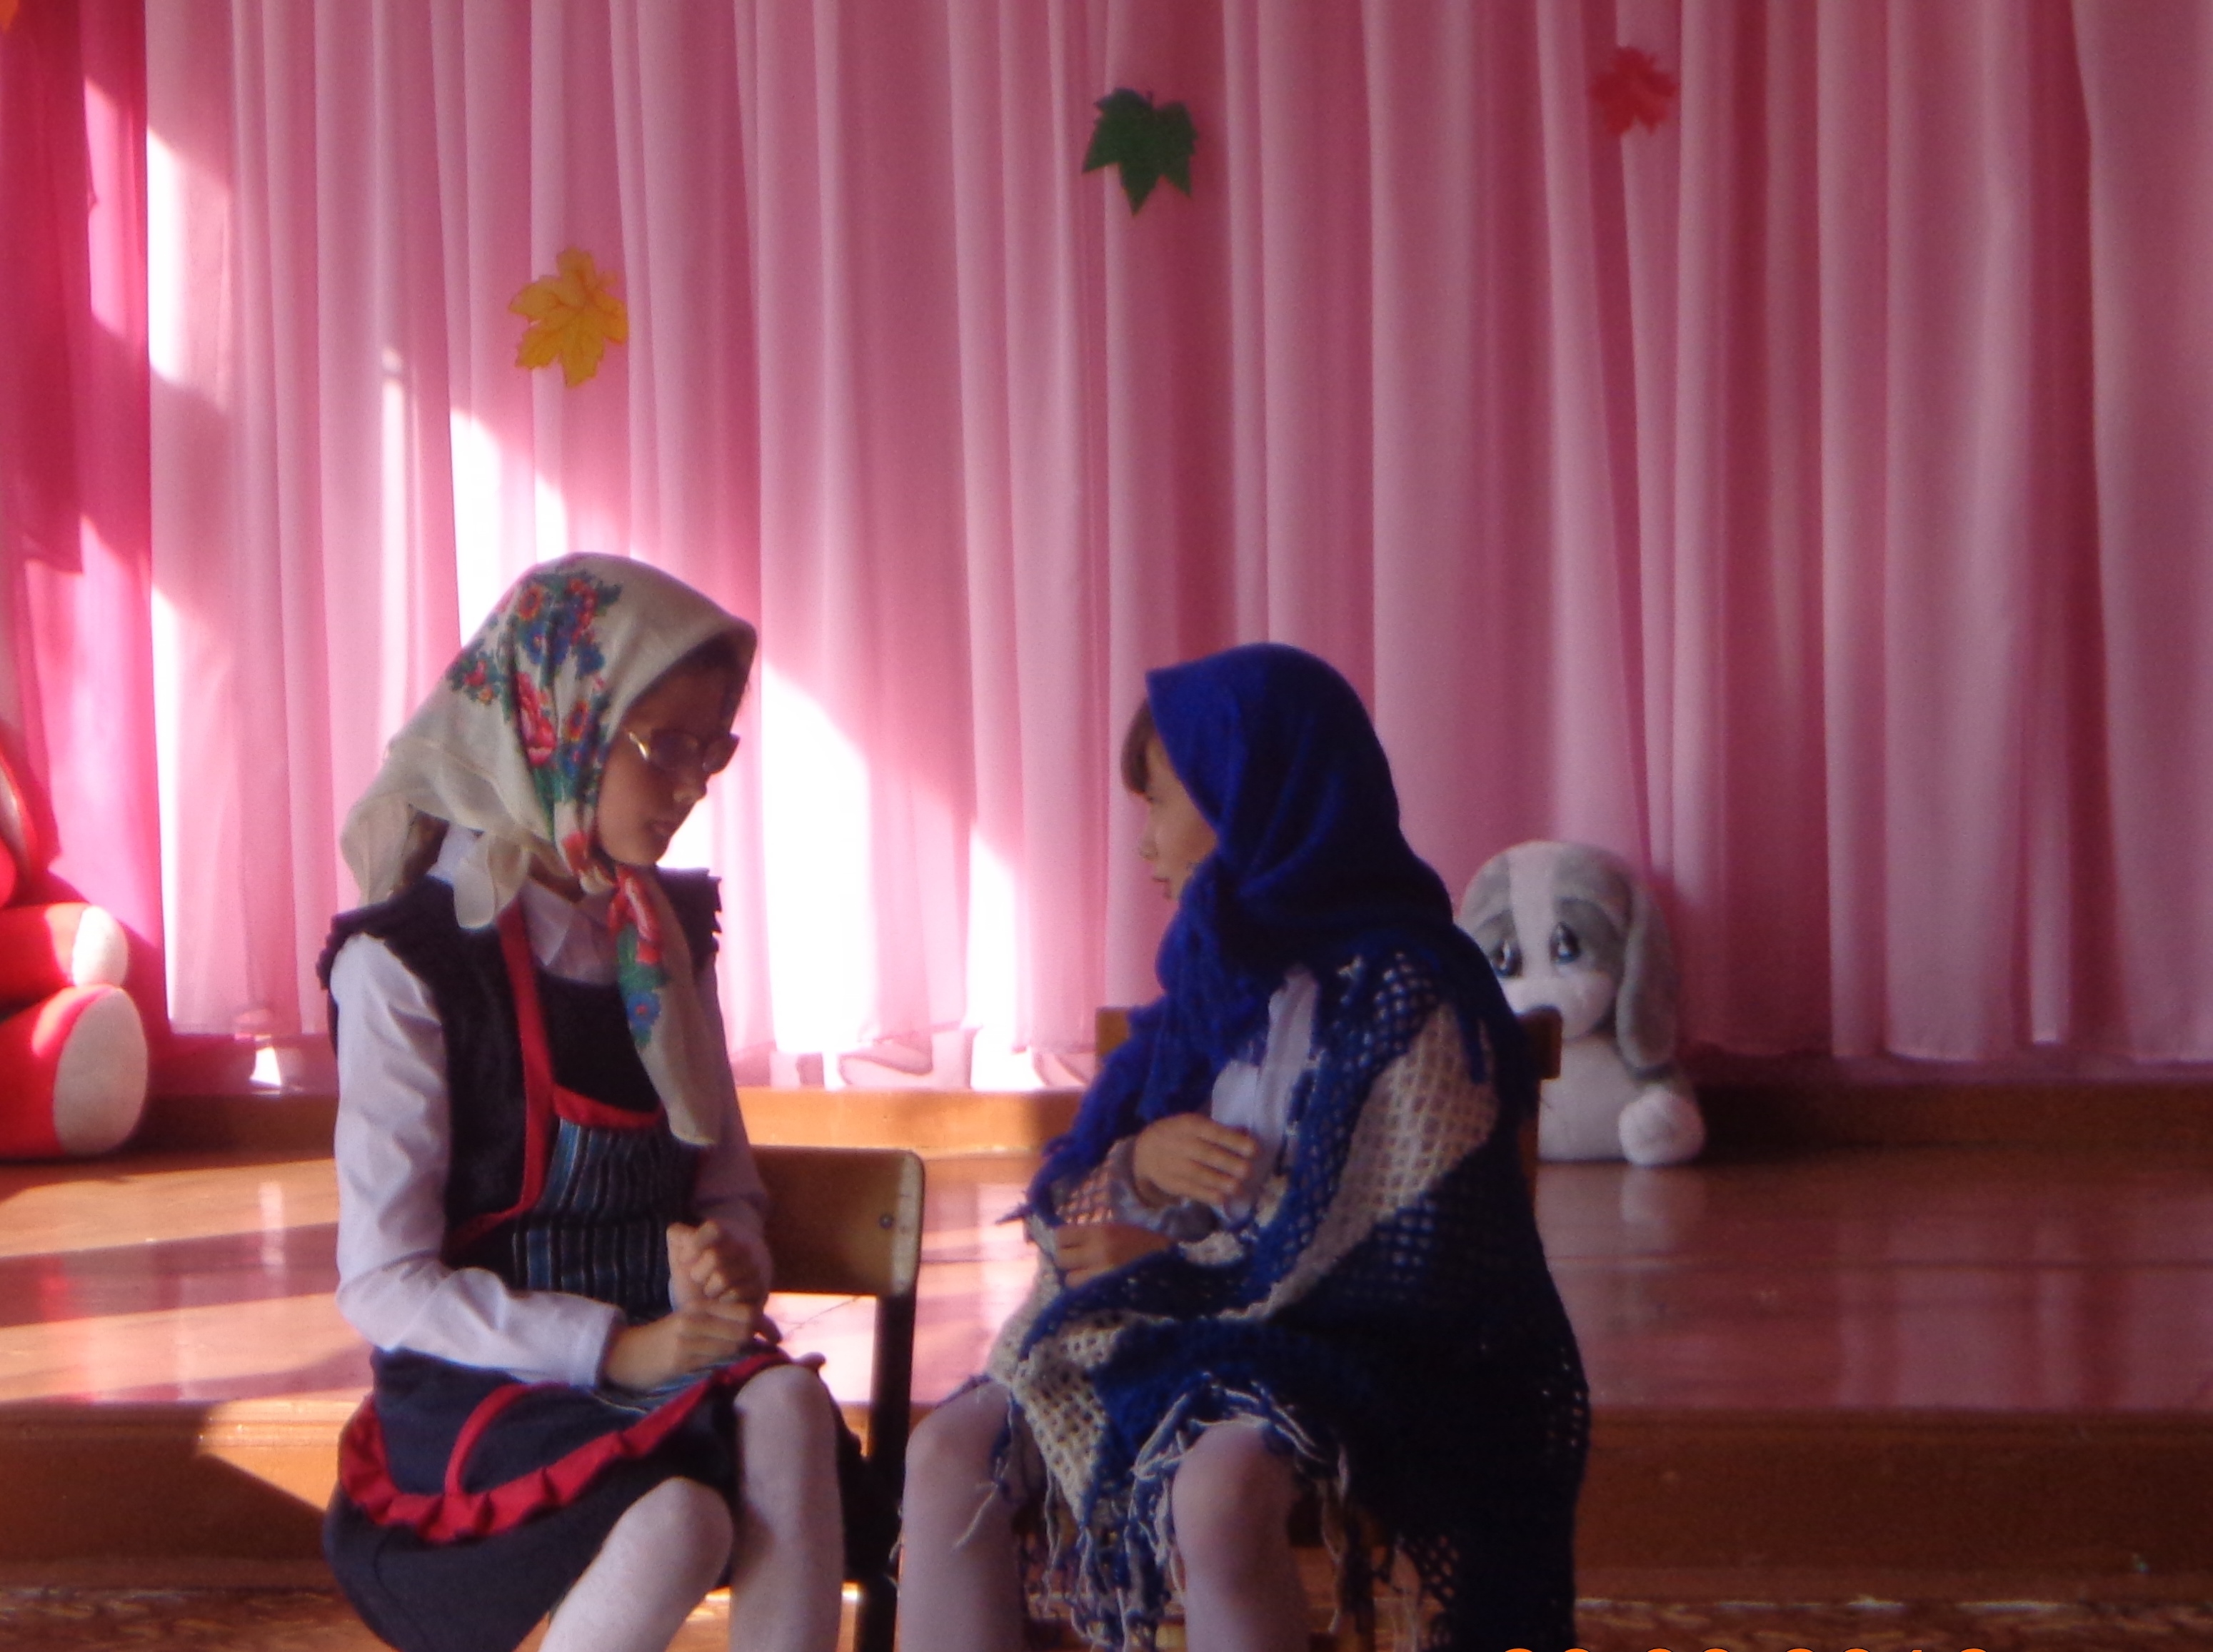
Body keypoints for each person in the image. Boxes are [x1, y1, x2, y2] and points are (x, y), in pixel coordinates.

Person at [897, 643, 1588, 1652]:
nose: (1145, 845)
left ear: (1254, 797)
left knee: (1218, 1491)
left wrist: (1176, 1265)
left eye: (1161, 803)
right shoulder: (1210, 975)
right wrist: (1137, 1170)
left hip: (1352, 1346)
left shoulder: (1412, 991)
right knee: (945, 1456)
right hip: (1178, 1323)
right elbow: (1073, 1208)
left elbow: (1383, 1258)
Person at [318, 555, 843, 1652]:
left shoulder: (663, 935)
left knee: (790, 1404)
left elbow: (725, 1185)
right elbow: (384, 1282)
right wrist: (615, 1346)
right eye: (668, 746)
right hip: (489, 1374)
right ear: (558, 727)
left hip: (658, 1346)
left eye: (714, 749)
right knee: (677, 1520)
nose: (695, 783)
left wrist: (725, 1258)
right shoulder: (408, 963)